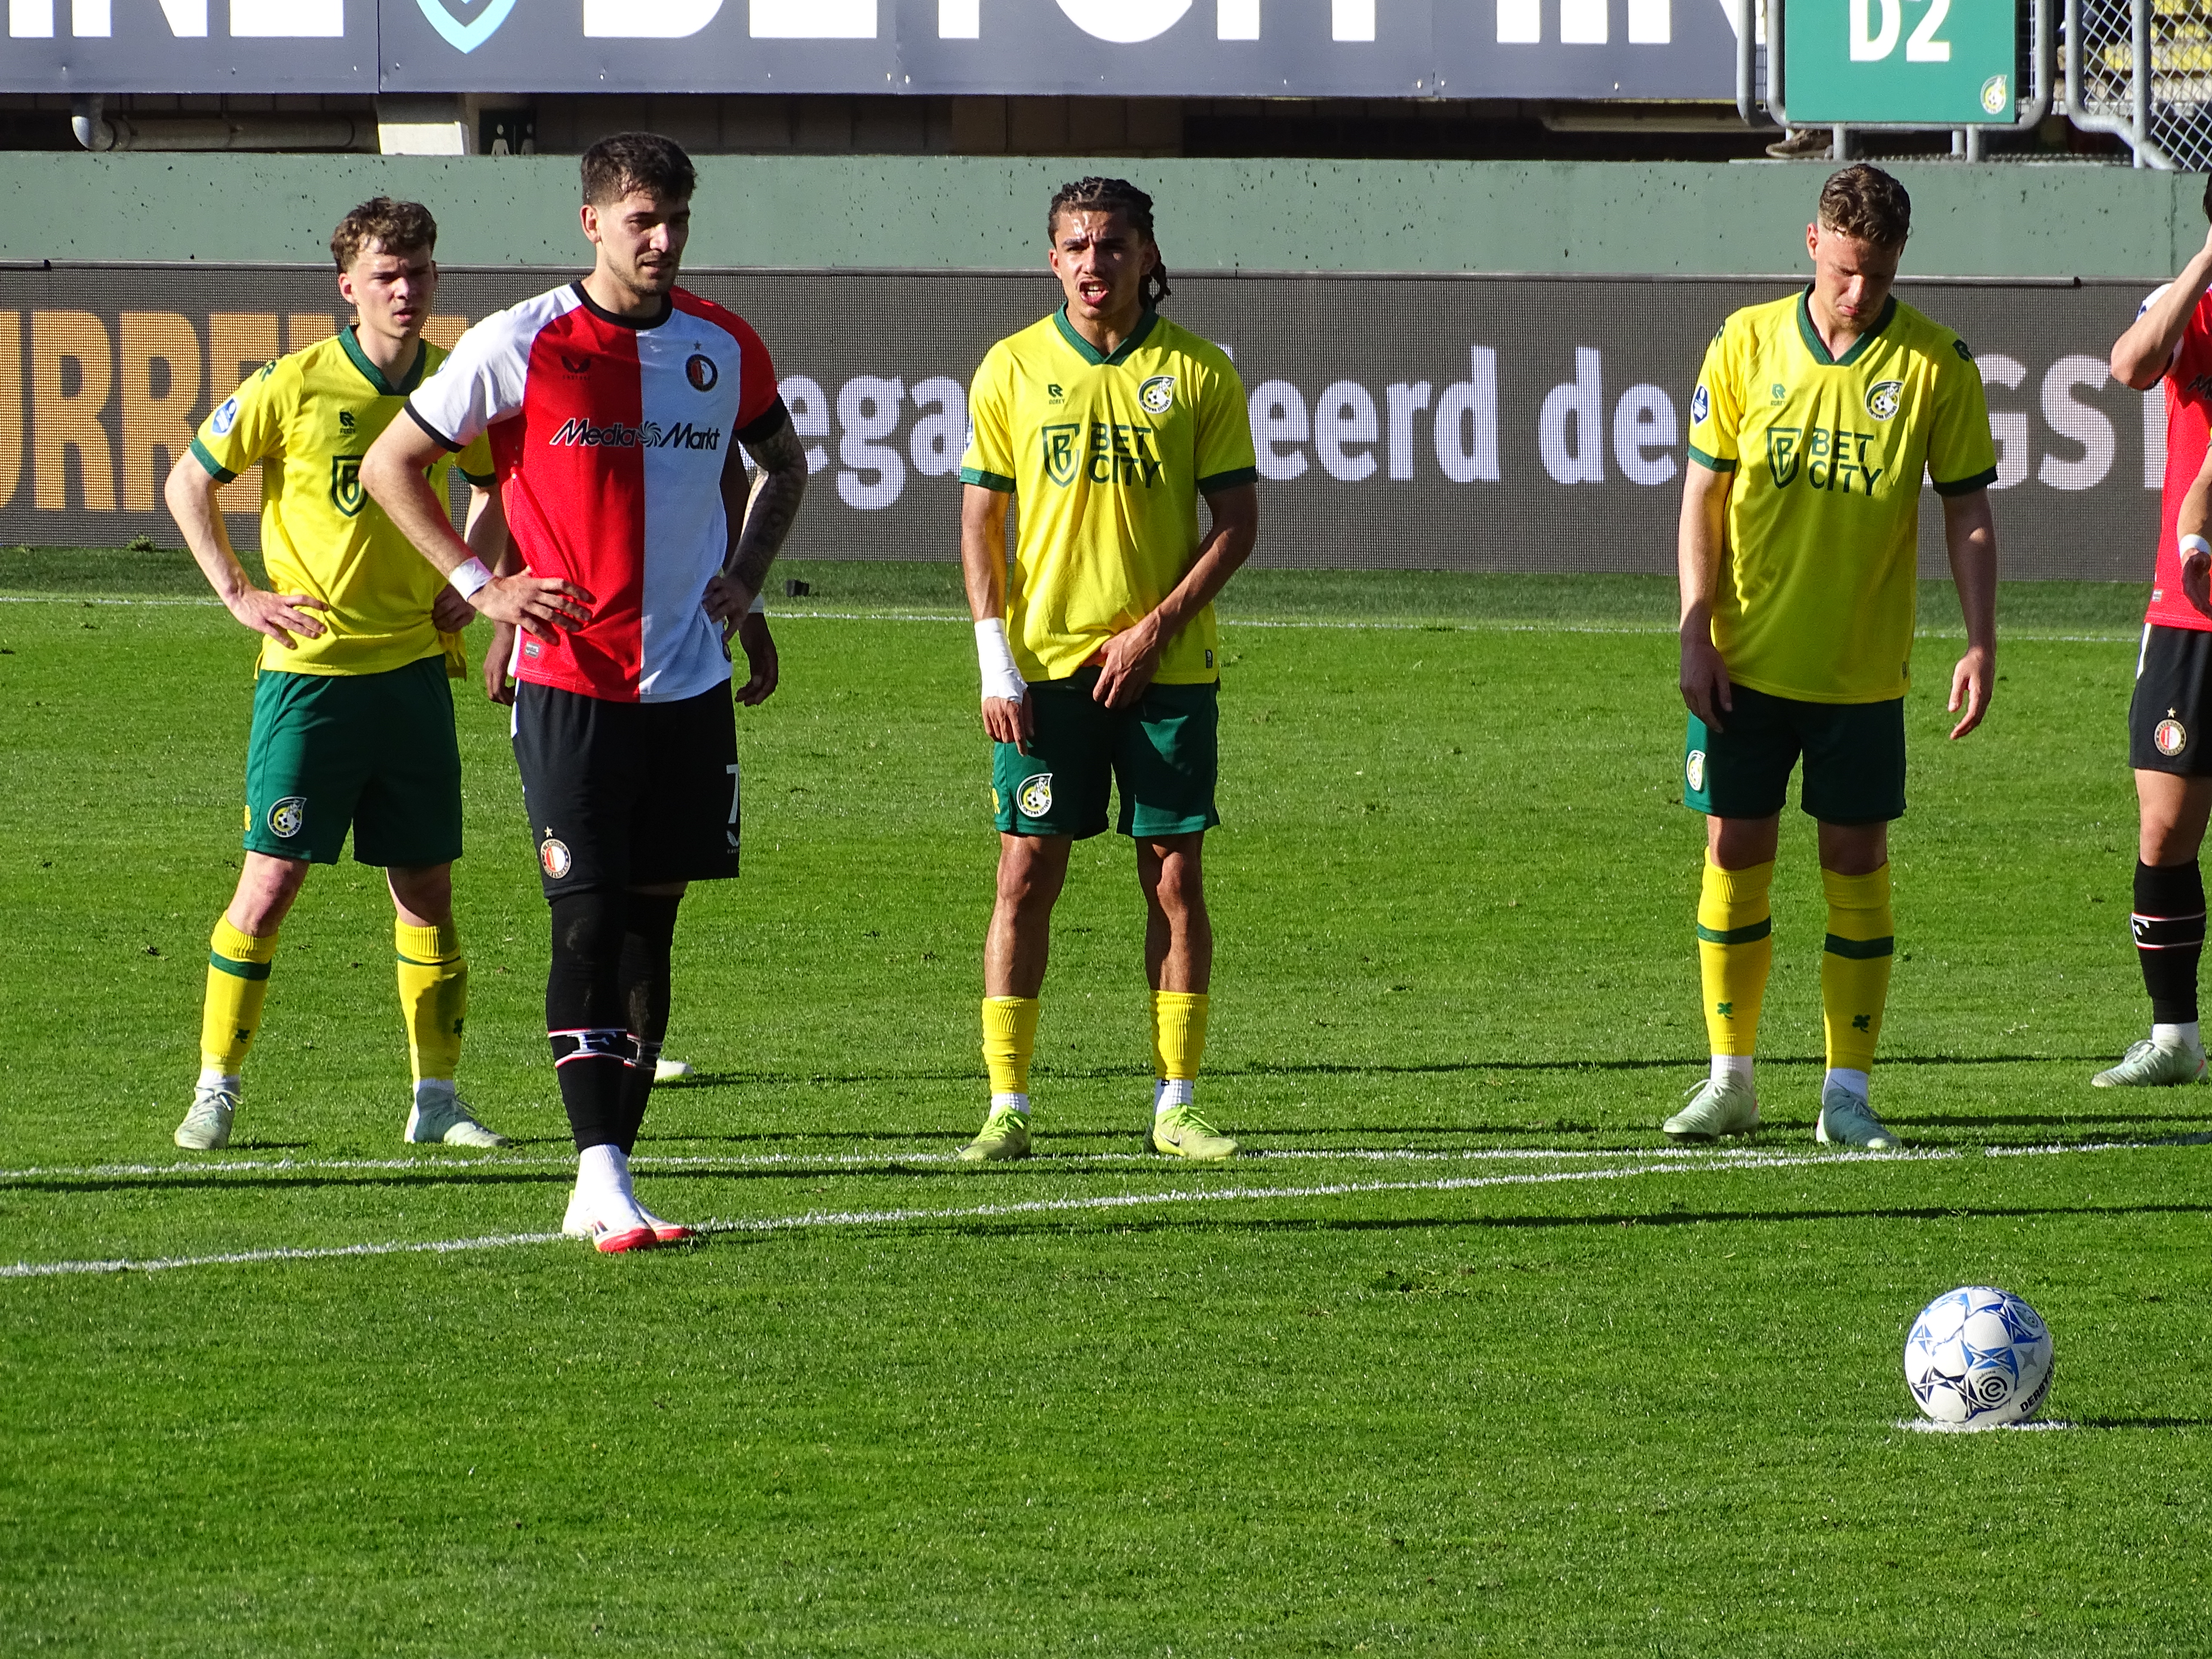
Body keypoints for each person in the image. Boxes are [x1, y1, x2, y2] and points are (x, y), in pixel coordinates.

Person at [362, 132, 808, 1253]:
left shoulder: (724, 345)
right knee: (589, 919)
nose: (661, 241)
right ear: (593, 223)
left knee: (654, 935)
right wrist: (481, 584)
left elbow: (781, 464)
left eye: (676, 222)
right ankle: (598, 1171)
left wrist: (747, 586)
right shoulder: (523, 342)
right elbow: (390, 468)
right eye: (640, 220)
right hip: (571, 681)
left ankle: (612, 1179)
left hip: (689, 685)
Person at [165, 197, 509, 1153]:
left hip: (410, 674)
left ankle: (436, 1100)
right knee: (271, 878)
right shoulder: (294, 383)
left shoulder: (450, 386)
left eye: (420, 273)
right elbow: (189, 480)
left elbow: (499, 482)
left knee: (426, 889)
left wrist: (467, 576)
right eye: (386, 276)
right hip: (310, 677)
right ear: (348, 286)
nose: (406, 291)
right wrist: (238, 593)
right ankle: (217, 1087)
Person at [1668, 163, 1999, 1150]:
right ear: (1813, 243)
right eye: (1847, 270)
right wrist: (1694, 625)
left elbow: (1969, 511)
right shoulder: (1744, 341)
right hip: (1744, 659)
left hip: (1862, 675)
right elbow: (1703, 497)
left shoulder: (1937, 363)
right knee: (1735, 849)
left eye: (1880, 276)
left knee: (1857, 863)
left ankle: (1846, 1094)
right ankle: (1731, 1078)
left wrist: (1981, 639)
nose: (1860, 294)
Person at [954, 176, 1260, 1164]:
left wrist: (1156, 628)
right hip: (1044, 670)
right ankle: (1008, 1105)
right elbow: (980, 521)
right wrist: (995, 660)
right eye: (1077, 246)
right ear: (1053, 259)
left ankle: (1177, 1103)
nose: (1095, 263)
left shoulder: (1201, 372)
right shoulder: (1010, 367)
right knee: (1024, 873)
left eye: (1114, 245)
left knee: (1175, 878)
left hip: (1168, 672)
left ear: (1146, 256)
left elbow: (1239, 524)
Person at [2093, 181, 2212, 1089]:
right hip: (2190, 611)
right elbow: (2132, 366)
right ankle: (2175, 1037)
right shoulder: (2189, 305)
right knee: (2165, 823)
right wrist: (2206, 262)